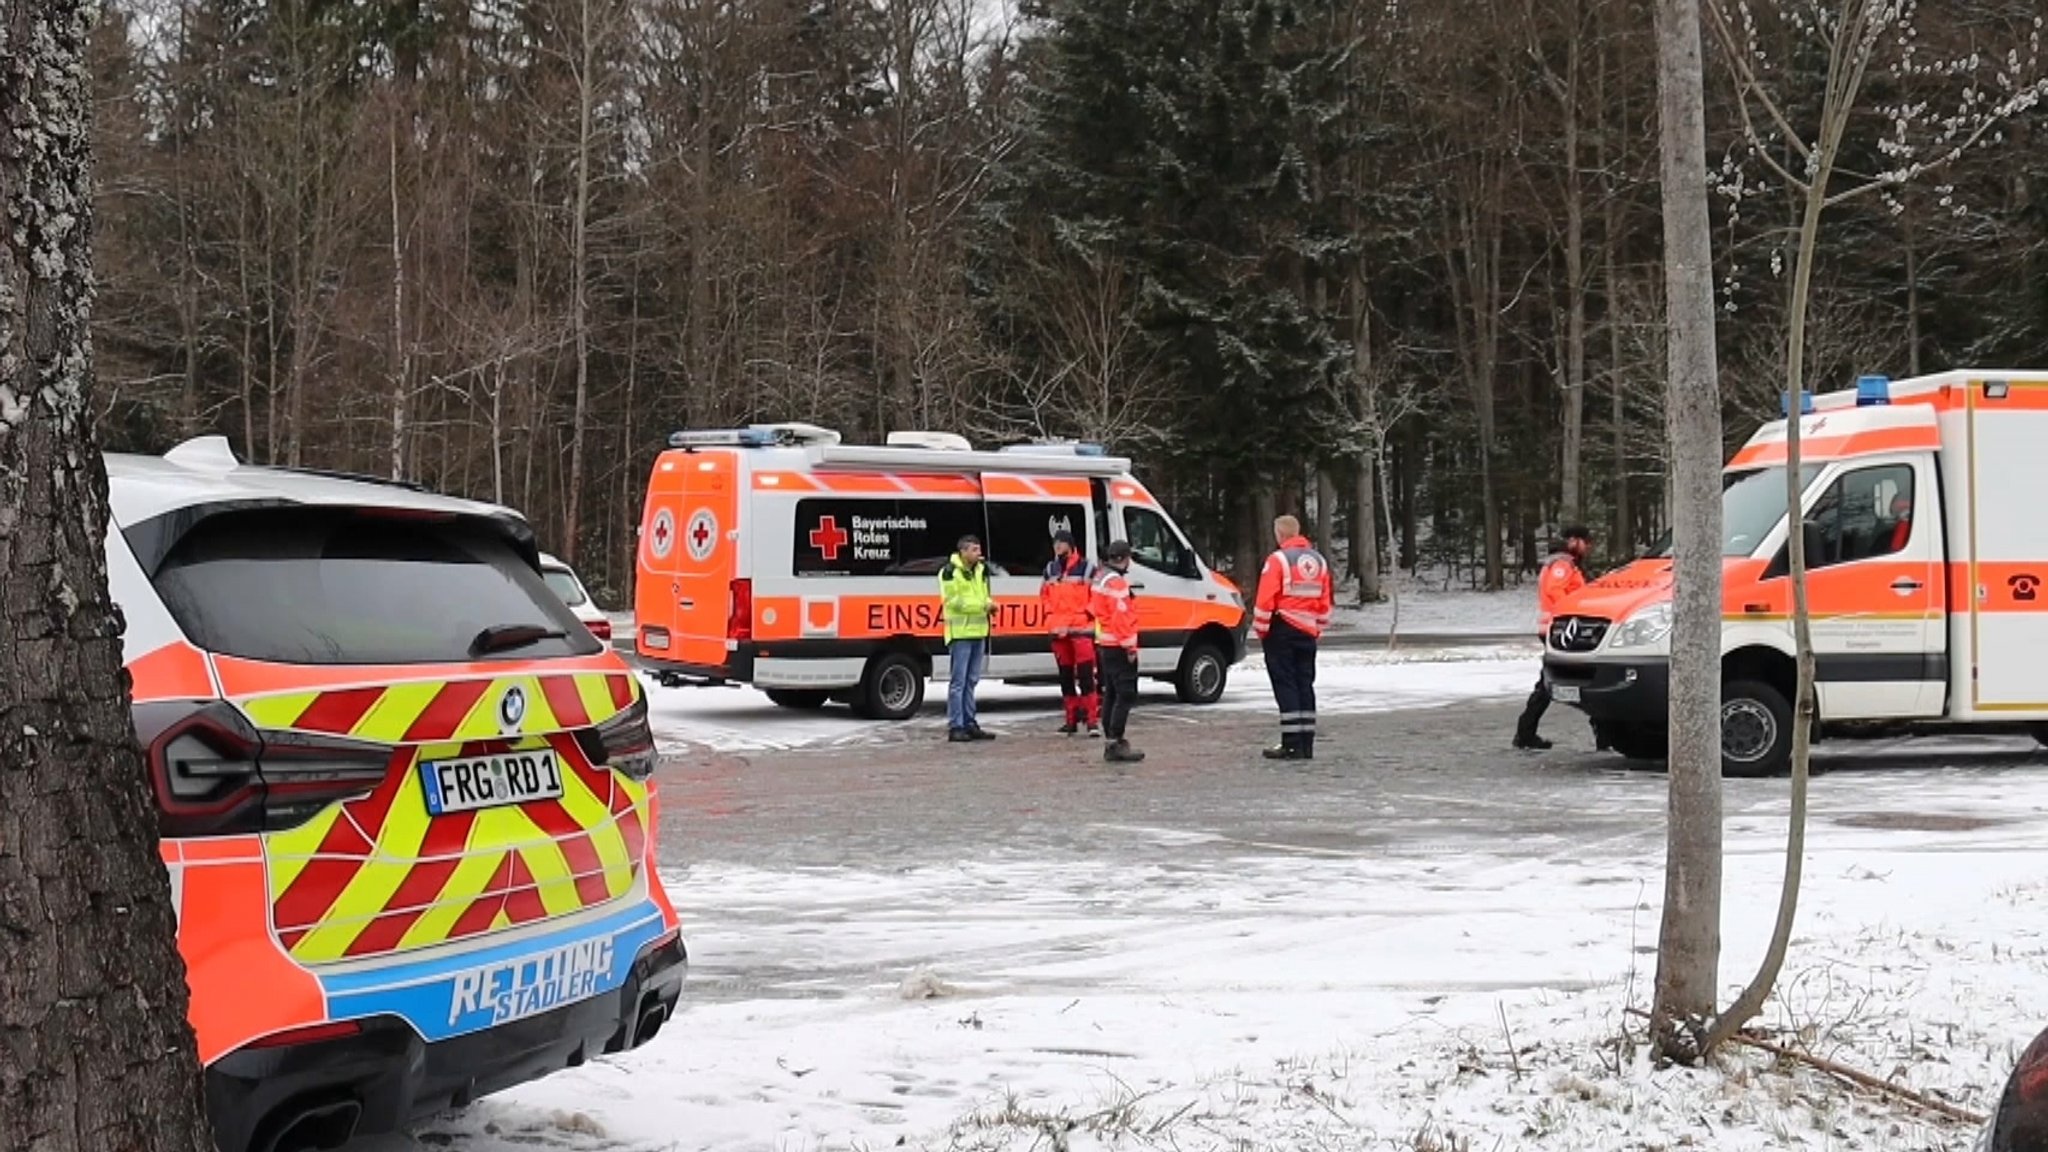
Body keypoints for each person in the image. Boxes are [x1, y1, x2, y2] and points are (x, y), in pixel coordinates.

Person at [1252, 514, 1334, 760]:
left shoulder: (1277, 560)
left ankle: (1291, 743)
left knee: (1285, 685)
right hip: (1306, 632)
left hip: (1282, 629)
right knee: (1304, 685)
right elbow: (1326, 601)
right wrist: (1316, 628)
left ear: (1280, 534)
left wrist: (1262, 629)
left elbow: (1266, 599)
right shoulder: (1319, 561)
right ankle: (1306, 743)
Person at [1515, 525, 1593, 751]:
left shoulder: (1564, 564)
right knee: (1570, 680)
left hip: (1561, 629)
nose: (1588, 548)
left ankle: (1525, 732)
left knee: (1557, 681)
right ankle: (1525, 732)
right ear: (1574, 541)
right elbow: (1556, 592)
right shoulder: (1562, 565)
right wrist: (1579, 608)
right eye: (1585, 542)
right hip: (1562, 630)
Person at [1040, 529, 1101, 735]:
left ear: (1070, 545)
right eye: (1055, 543)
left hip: (1081, 630)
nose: (1057, 546)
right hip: (1059, 630)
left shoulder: (1087, 568)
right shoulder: (1050, 569)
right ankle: (1071, 719)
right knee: (1065, 677)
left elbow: (1097, 595)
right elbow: (1045, 595)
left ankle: (1091, 721)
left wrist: (1087, 614)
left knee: (1085, 676)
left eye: (1061, 542)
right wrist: (1050, 615)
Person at [1091, 540, 1145, 763]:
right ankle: (1115, 741)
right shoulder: (1117, 583)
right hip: (1119, 646)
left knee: (1111, 693)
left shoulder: (1100, 577)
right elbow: (1122, 618)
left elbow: (1094, 609)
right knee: (1125, 694)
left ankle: (1111, 740)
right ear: (1125, 558)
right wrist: (1130, 647)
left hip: (1105, 644)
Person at [938, 534, 995, 743]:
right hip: (960, 633)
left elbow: (981, 595)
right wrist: (983, 606)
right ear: (962, 552)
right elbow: (954, 602)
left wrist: (989, 603)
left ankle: (970, 723)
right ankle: (956, 726)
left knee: (971, 681)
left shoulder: (980, 570)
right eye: (974, 550)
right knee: (958, 682)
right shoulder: (949, 572)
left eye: (979, 549)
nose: (978, 554)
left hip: (978, 632)